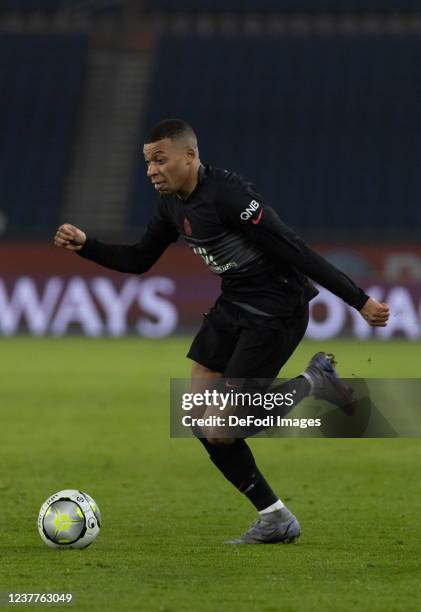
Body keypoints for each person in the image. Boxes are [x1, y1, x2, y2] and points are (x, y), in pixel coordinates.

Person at [54, 118, 390, 544]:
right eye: (147, 163)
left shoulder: (229, 197)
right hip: (235, 303)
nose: (152, 170)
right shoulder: (171, 205)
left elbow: (295, 249)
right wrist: (87, 245)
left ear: (189, 155)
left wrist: (360, 300)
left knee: (221, 428)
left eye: (160, 159)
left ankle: (314, 382)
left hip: (276, 309)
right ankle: (275, 517)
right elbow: (139, 260)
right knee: (197, 411)